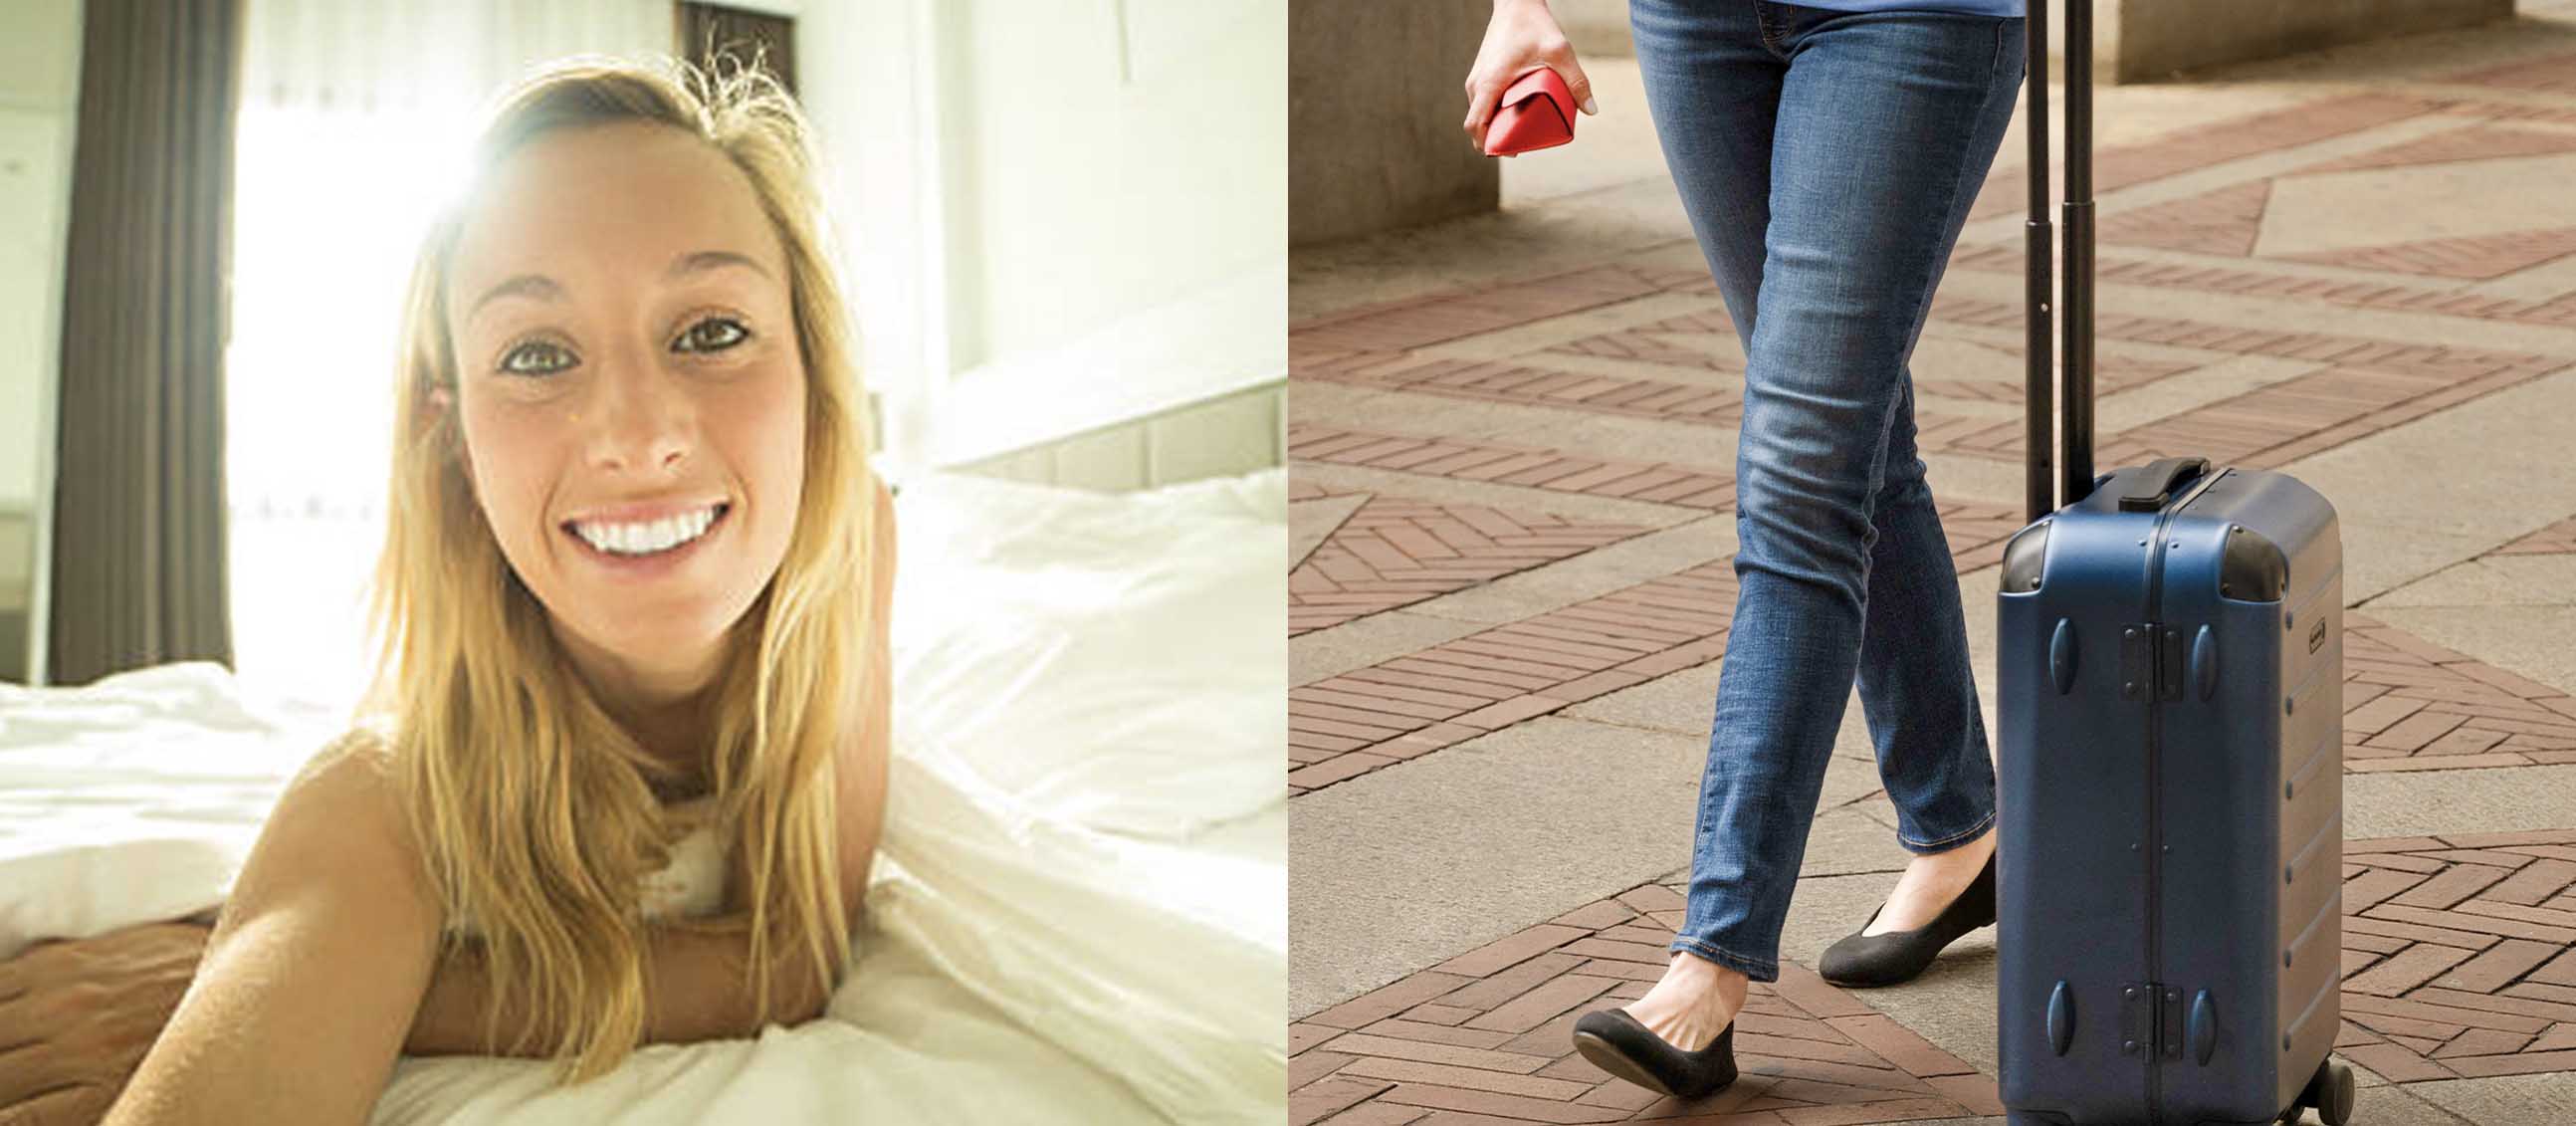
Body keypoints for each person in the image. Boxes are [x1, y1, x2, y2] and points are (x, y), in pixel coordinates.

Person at [0, 55, 895, 1126]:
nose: (638, 435)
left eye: (710, 331)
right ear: (454, 441)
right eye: (535, 355)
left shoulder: (856, 540)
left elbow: (792, 959)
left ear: (812, 379)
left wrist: (358, 993)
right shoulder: (377, 802)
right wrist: (295, 969)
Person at [1461, 0, 2026, 1100]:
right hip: (1692, 22)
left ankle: (1708, 964)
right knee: (1852, 444)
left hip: (1904, 17)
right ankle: (1957, 833)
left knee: (1800, 481)